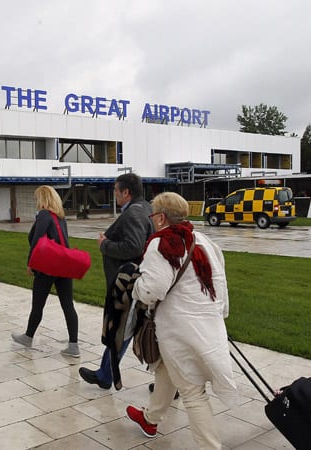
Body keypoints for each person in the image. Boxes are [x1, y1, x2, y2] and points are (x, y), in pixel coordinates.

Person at [125, 192, 236, 448]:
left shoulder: (162, 243)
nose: (152, 221)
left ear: (161, 217)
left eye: (154, 216)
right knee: (166, 368)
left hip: (178, 330)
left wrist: (136, 286)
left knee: (192, 392)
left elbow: (153, 290)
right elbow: (221, 285)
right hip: (208, 325)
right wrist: (220, 316)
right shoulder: (205, 241)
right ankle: (150, 418)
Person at [79, 173, 154, 389]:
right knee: (127, 330)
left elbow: (134, 246)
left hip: (129, 284)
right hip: (137, 282)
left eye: (115, 190)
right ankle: (105, 373)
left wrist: (105, 244)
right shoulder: (144, 208)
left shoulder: (133, 214)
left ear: (125, 192)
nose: (114, 194)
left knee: (123, 330)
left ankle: (105, 374)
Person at [11, 186, 80, 357]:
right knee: (68, 305)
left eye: (37, 198)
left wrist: (30, 262)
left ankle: (28, 337)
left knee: (38, 304)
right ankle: (73, 345)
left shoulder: (43, 215)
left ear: (43, 198)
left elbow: (36, 239)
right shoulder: (60, 217)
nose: (36, 202)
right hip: (64, 266)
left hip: (48, 267)